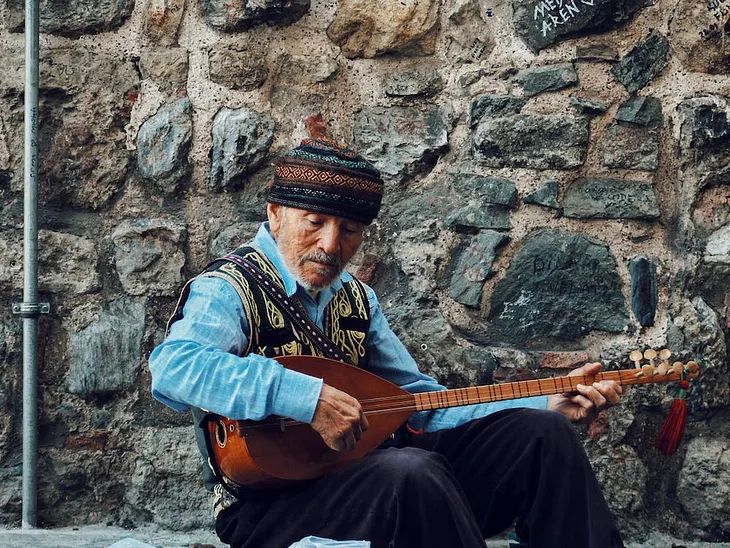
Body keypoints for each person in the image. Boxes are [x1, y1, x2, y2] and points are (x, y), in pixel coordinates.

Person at [149, 117, 625, 548]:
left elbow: (418, 405)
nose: (331, 245)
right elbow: (174, 367)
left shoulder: (357, 299)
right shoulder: (230, 287)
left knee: (541, 433)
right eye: (314, 223)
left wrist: (542, 401)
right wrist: (303, 396)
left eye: (350, 230)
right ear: (275, 215)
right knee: (412, 471)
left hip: (373, 474)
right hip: (269, 507)